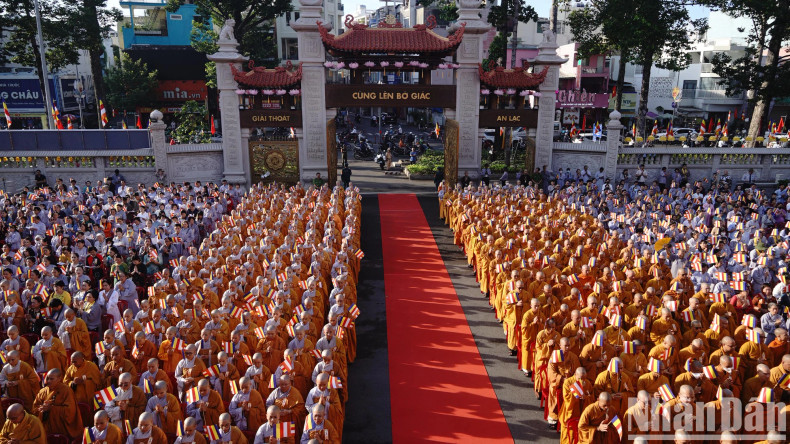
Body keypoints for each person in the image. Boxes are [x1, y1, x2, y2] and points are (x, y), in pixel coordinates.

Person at [32, 368, 82, 438]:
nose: (48, 381)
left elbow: (70, 411)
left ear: (59, 379)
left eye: (51, 379)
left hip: (61, 427)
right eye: (48, 378)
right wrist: (42, 409)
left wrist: (51, 408)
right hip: (46, 427)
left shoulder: (66, 391)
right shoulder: (42, 391)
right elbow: (34, 409)